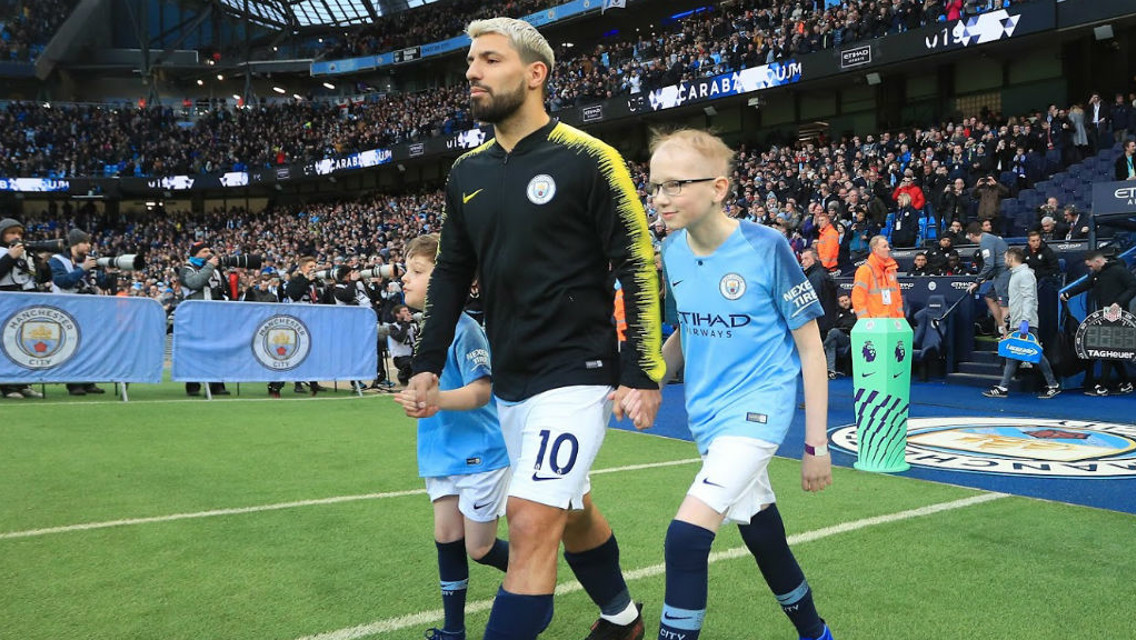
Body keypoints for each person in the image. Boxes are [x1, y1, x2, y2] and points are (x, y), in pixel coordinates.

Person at [404, 17, 662, 640]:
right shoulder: (466, 172)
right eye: (471, 62)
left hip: (578, 372)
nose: (472, 72)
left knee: (527, 518)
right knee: (569, 509)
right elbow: (450, 278)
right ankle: (623, 618)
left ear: (534, 73)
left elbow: (637, 260)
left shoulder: (589, 158)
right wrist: (427, 360)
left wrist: (644, 370)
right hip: (514, 381)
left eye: (489, 60)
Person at [639, 128, 833, 640]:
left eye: (676, 185)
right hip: (706, 416)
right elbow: (689, 326)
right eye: (656, 186)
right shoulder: (673, 251)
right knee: (763, 533)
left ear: (719, 188)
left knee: (684, 540)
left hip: (756, 413)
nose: (661, 198)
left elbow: (811, 350)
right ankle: (816, 633)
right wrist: (649, 378)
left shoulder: (766, 246)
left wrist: (816, 445)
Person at [394, 234, 511, 640]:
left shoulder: (465, 330)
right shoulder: (427, 330)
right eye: (406, 271)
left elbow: (481, 391)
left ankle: (531, 573)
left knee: (479, 549)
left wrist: (435, 399)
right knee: (446, 537)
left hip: (479, 456)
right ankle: (453, 630)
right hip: (441, 454)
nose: (404, 280)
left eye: (417, 272)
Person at [981, 247, 1062, 400]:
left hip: (1026, 323)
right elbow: (1018, 300)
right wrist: (1011, 316)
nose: (1004, 261)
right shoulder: (1017, 275)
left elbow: (1028, 298)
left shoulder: (1024, 275)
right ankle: (1003, 387)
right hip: (1017, 321)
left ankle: (1053, 385)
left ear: (1011, 259)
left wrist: (1024, 321)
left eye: (1005, 258)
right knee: (1012, 355)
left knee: (1035, 354)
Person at [1061, 250, 1136, 396]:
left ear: (1097, 261)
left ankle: (1102, 386)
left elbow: (1133, 287)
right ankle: (1126, 383)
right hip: (1104, 315)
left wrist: (1119, 302)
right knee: (1112, 351)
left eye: (1090, 266)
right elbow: (1086, 284)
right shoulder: (1098, 273)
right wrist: (1068, 294)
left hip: (1119, 316)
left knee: (1107, 350)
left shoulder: (1119, 271)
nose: (1090, 269)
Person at [49, 229, 113, 396]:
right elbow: (62, 282)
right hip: (67, 309)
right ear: (74, 244)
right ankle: (74, 383)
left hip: (90, 308)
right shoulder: (58, 260)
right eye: (84, 242)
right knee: (73, 346)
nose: (88, 245)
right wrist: (83, 268)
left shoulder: (90, 261)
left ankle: (89, 380)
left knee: (90, 346)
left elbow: (103, 285)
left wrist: (110, 274)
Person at [0, 217, 47, 399]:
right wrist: (10, 257)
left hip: (23, 301)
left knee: (22, 344)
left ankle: (23, 382)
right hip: (4, 300)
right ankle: (6, 384)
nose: (16, 237)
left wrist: (42, 263)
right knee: (5, 345)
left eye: (19, 233)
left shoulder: (25, 253)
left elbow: (37, 279)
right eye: (11, 233)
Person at [177, 241, 231, 397]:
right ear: (195, 254)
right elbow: (195, 283)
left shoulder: (214, 269)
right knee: (196, 350)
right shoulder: (186, 269)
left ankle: (217, 384)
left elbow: (223, 289)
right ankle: (193, 384)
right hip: (196, 315)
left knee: (217, 350)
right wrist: (210, 266)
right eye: (204, 251)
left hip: (215, 315)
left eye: (209, 250)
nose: (208, 254)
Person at [965, 223, 1010, 335]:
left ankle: (1007, 335)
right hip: (999, 274)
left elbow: (989, 264)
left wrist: (977, 281)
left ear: (971, 235)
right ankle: (1001, 327)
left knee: (1003, 304)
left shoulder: (985, 241)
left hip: (1005, 273)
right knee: (989, 298)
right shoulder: (989, 238)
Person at [852, 235, 904, 319]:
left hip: (892, 323)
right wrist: (866, 322)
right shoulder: (865, 270)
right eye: (884, 246)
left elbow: (898, 298)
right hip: (875, 324)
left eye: (888, 246)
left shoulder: (891, 270)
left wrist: (900, 319)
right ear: (875, 250)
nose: (888, 249)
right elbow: (858, 298)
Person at [824, 294, 857, 379]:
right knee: (832, 342)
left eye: (846, 300)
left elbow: (851, 324)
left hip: (852, 337)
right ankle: (831, 371)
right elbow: (835, 325)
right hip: (841, 337)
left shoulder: (857, 310)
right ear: (839, 303)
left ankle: (822, 347)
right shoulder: (838, 313)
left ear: (850, 300)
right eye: (842, 302)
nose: (845, 303)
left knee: (834, 332)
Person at [388, 304, 419, 386]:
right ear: (397, 314)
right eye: (404, 311)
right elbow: (400, 337)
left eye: (408, 311)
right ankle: (403, 377)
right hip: (400, 357)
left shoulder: (412, 326)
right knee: (411, 363)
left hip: (411, 354)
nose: (407, 313)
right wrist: (405, 322)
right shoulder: (392, 327)